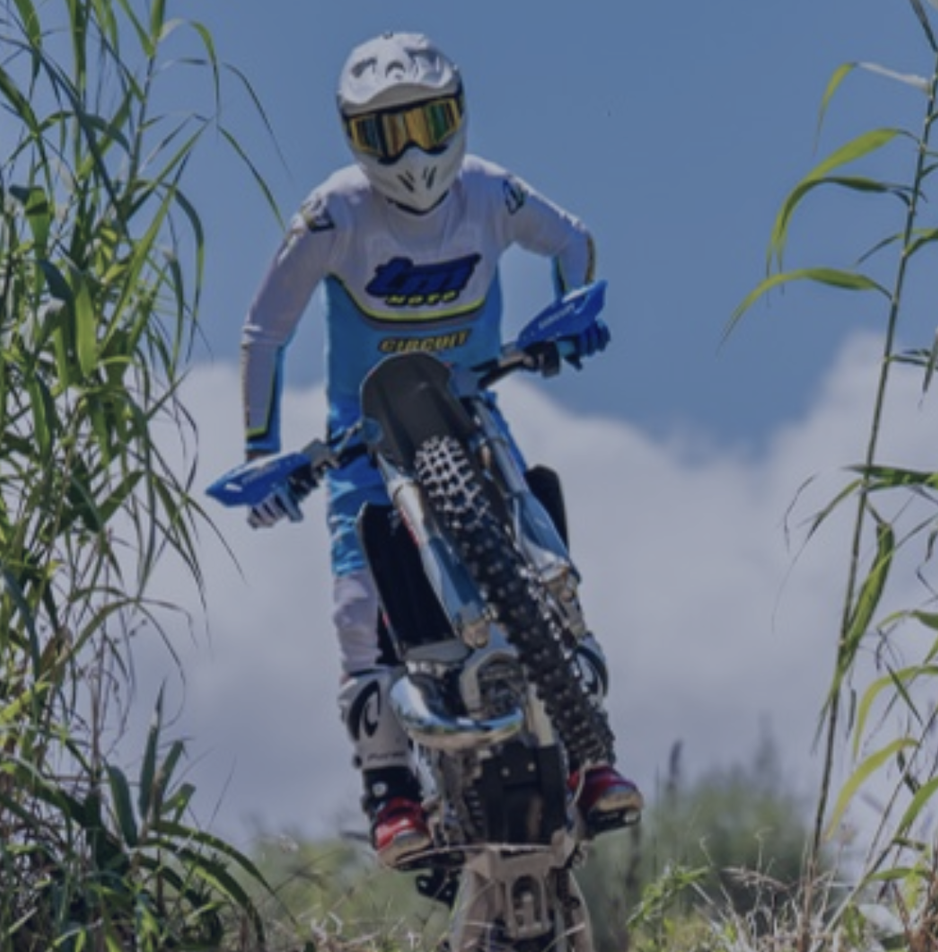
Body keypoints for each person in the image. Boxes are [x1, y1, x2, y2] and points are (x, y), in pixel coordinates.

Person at [234, 32, 643, 869]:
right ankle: (389, 789)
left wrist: (575, 320)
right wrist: (262, 452)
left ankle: (592, 758)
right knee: (356, 607)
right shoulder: (335, 214)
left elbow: (576, 242)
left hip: (472, 403)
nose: (415, 151)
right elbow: (263, 330)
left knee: (542, 531)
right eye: (388, 133)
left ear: (458, 114)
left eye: (429, 123)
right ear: (355, 139)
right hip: (363, 430)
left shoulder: (492, 193)